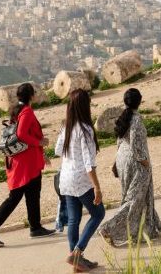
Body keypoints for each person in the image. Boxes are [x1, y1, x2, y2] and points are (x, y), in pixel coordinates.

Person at [0, 83, 56, 247]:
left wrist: (42, 154)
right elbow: (22, 134)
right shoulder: (27, 111)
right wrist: (39, 142)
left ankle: (35, 227)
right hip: (26, 163)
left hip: (25, 161)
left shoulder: (17, 110)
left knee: (33, 193)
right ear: (32, 95)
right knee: (15, 196)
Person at [99, 88, 161, 247]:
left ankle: (146, 229)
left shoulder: (123, 118)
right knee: (135, 198)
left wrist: (115, 162)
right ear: (139, 101)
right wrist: (144, 161)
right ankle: (109, 228)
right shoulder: (136, 120)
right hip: (136, 162)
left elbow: (120, 141)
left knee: (134, 195)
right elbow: (135, 143)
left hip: (122, 160)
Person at [55, 89, 106, 272]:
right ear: (85, 105)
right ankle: (77, 253)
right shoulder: (85, 129)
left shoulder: (66, 126)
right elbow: (89, 163)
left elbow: (58, 150)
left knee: (74, 220)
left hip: (66, 178)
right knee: (98, 214)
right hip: (81, 180)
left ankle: (77, 262)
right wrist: (97, 187)